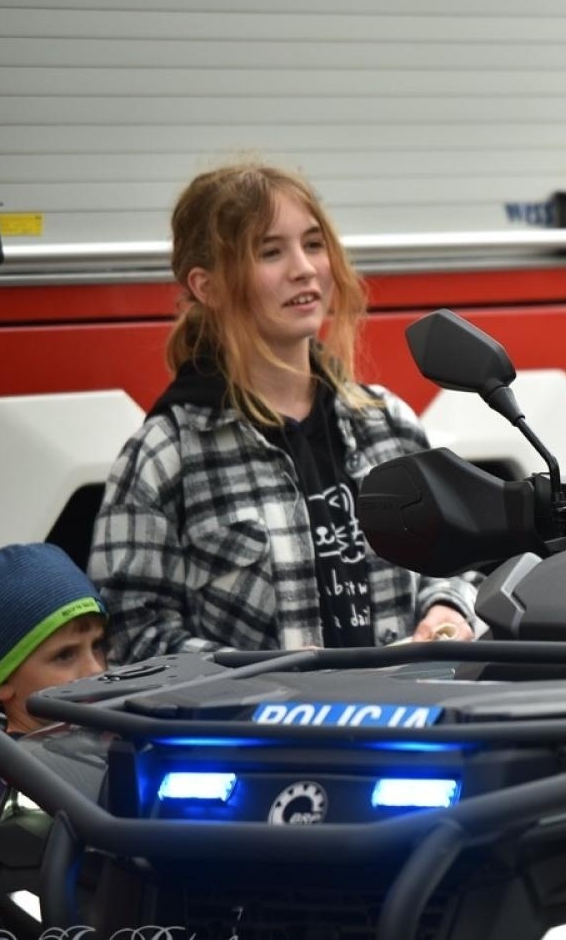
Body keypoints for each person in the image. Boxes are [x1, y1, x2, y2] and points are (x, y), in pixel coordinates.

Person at [89, 164, 478, 662]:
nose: (305, 268)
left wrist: (446, 611)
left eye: (313, 244)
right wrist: (277, 683)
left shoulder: (388, 424)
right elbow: (134, 639)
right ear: (207, 286)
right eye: (270, 252)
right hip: (265, 739)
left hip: (405, 727)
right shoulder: (166, 457)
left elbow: (455, 566)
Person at [0, 544, 108, 872]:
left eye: (99, 646)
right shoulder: (12, 787)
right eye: (64, 655)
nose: (96, 670)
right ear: (2, 682)